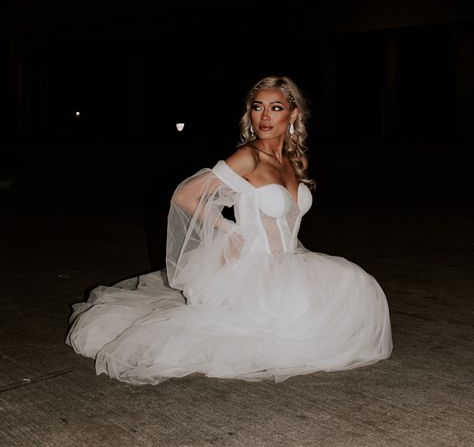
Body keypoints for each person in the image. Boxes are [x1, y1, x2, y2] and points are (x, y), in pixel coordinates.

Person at [66, 75, 392, 384]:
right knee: (291, 330)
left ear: (293, 114)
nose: (264, 116)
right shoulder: (247, 157)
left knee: (355, 287)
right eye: (257, 106)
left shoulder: (295, 161)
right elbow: (185, 195)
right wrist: (230, 230)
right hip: (254, 268)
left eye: (275, 107)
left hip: (293, 261)